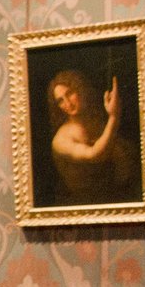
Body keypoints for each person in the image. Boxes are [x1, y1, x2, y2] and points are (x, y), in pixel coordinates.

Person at [46, 68, 139, 203]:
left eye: (70, 93)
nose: (67, 103)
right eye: (60, 100)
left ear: (81, 90)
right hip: (82, 205)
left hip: (114, 198)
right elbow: (94, 154)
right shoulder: (61, 139)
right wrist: (114, 117)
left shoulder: (96, 123)